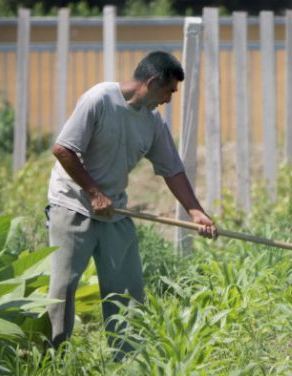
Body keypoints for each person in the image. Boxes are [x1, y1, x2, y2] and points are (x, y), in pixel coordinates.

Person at [47, 51, 217, 360]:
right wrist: (94, 193)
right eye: (169, 91)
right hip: (72, 204)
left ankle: (127, 366)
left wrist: (196, 211)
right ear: (152, 82)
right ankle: (52, 364)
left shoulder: (151, 123)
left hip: (114, 211)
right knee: (63, 290)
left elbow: (173, 169)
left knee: (127, 292)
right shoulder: (99, 99)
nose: (169, 100)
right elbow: (63, 149)